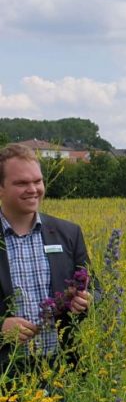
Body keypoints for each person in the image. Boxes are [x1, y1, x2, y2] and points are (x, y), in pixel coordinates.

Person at [0, 143, 92, 376]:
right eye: (21, 183)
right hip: (6, 370)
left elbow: (96, 288)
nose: (33, 189)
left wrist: (87, 299)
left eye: (37, 181)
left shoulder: (68, 233)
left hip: (62, 368)